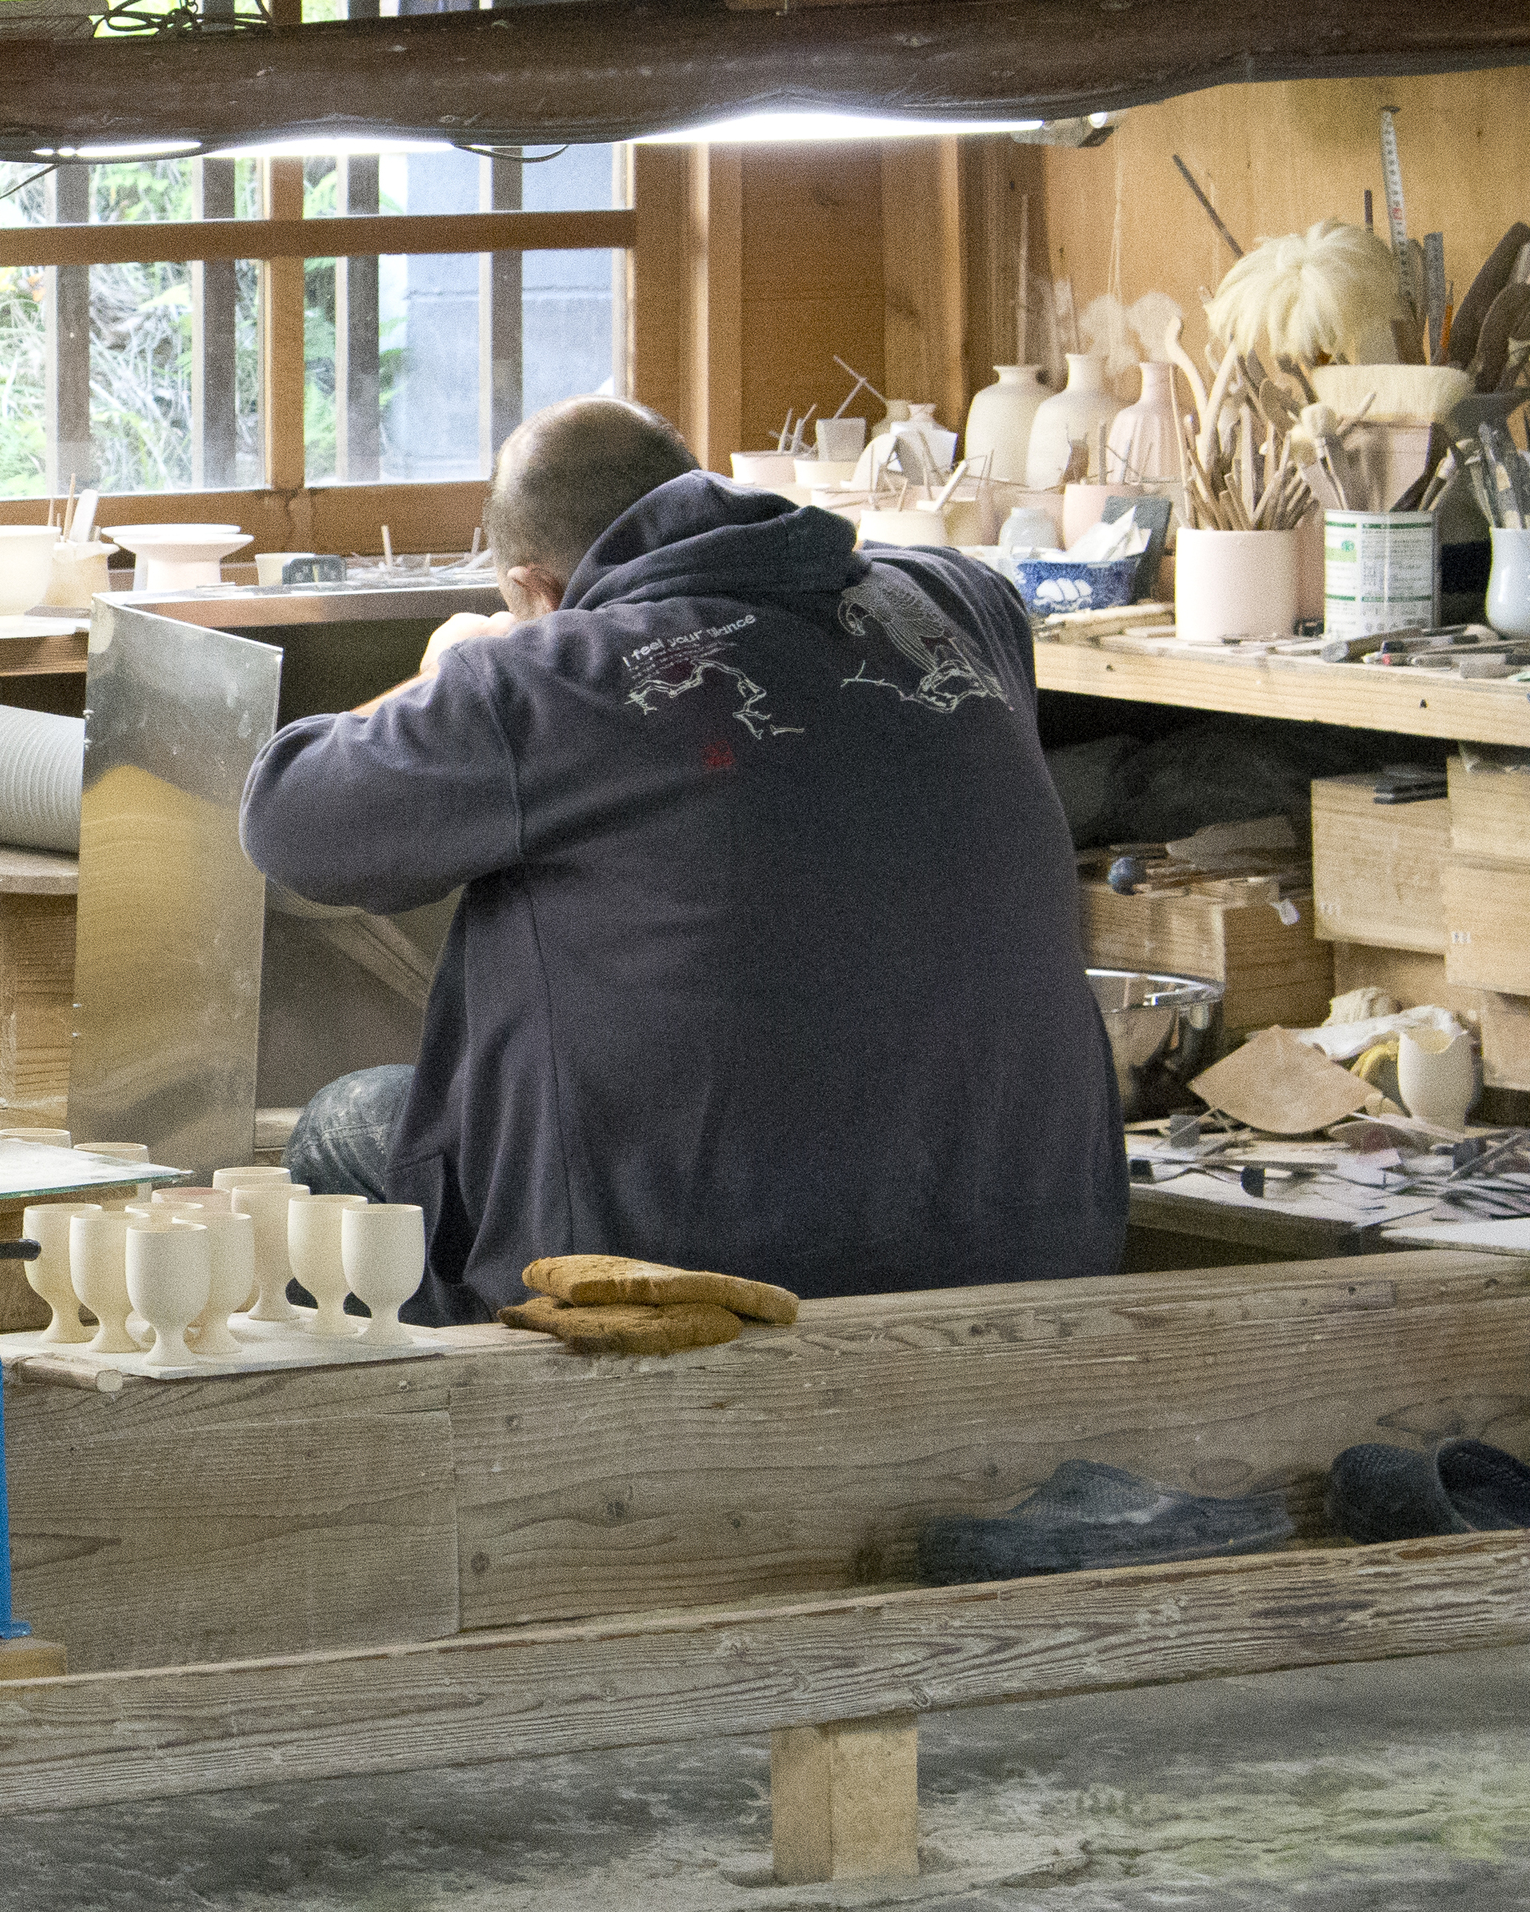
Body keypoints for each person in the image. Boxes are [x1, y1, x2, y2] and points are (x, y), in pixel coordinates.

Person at [242, 396, 1120, 1326]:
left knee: (343, 1125)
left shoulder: (541, 675)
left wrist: (446, 670)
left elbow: (286, 818)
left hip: (701, 1272)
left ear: (535, 590)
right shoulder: (960, 604)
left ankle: (466, 1453)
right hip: (1043, 1242)